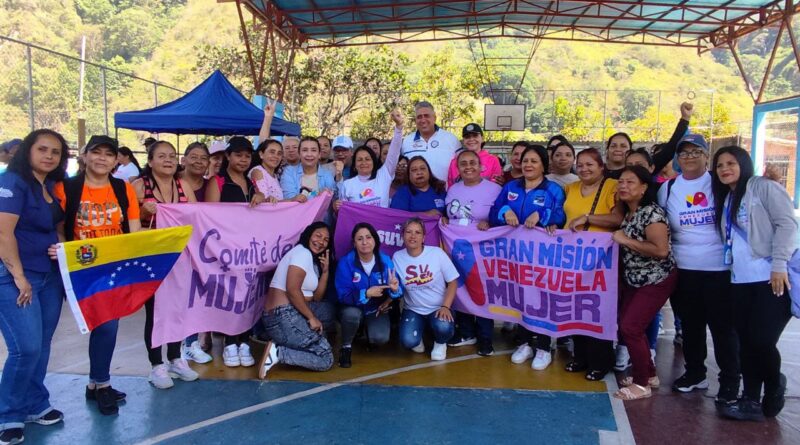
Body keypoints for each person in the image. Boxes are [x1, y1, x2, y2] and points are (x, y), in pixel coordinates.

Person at [53, 135, 142, 415]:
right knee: (102, 325)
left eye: (108, 154)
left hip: (111, 267)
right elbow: (57, 227)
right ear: (84, 155)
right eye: (96, 152)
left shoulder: (122, 188)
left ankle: (99, 384)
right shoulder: (65, 188)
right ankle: (98, 384)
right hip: (79, 268)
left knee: (106, 325)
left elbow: (134, 228)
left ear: (117, 160)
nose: (102, 158)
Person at [712, 146, 797, 421]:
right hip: (740, 281)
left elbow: (787, 224)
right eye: (720, 164)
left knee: (761, 340)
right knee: (746, 342)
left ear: (744, 164)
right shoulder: (728, 197)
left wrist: (779, 265)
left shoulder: (763, 188)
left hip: (771, 278)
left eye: (731, 163)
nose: (725, 168)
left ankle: (774, 384)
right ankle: (749, 399)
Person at [656, 135, 740, 402]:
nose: (689, 157)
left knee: (723, 328)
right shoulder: (668, 189)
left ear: (707, 156)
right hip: (684, 269)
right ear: (677, 159)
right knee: (691, 326)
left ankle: (729, 381)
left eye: (696, 151)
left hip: (719, 268)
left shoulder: (720, 183)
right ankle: (695, 373)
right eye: (684, 152)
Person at [0, 130, 69, 444]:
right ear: (27, 150)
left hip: (48, 275)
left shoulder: (51, 186)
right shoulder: (13, 183)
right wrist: (18, 277)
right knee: (25, 348)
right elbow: (4, 234)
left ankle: (34, 404)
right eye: (42, 149)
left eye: (55, 152)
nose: (49, 156)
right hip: (16, 276)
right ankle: (8, 414)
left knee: (41, 345)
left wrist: (61, 246)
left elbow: (54, 228)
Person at [489, 144, 566, 370]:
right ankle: (524, 343)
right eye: (525, 161)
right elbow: (494, 212)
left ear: (543, 165)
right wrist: (506, 212)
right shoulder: (510, 187)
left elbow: (561, 215)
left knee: (541, 298)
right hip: (514, 257)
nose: (528, 165)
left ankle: (543, 347)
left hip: (542, 257)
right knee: (520, 297)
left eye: (534, 161)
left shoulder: (553, 189)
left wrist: (542, 214)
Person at [131, 141, 199, 389]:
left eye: (172, 156)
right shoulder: (139, 186)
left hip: (180, 257)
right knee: (156, 310)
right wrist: (143, 211)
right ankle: (156, 365)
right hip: (151, 259)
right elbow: (127, 219)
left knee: (179, 307)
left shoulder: (183, 185)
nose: (168, 160)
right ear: (150, 161)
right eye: (161, 156)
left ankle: (175, 357)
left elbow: (196, 216)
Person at [611, 166, 677, 400]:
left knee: (631, 326)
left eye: (630, 182)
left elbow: (660, 250)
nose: (623, 186)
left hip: (655, 279)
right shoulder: (627, 212)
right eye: (621, 182)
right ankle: (648, 374)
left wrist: (625, 240)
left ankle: (641, 384)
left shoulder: (652, 213)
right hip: (634, 279)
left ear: (644, 188)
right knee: (625, 324)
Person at [205, 136, 266, 367]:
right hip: (225, 250)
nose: (243, 159)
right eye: (238, 154)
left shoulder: (252, 183)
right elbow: (209, 217)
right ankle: (230, 343)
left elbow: (262, 211)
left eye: (247, 155)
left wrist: (260, 197)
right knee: (229, 296)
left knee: (247, 296)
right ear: (228, 156)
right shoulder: (217, 181)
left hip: (248, 251)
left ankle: (243, 342)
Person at [560, 148, 621, 380]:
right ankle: (580, 356)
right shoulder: (570, 188)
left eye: (590, 165)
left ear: (601, 167)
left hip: (601, 260)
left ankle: (601, 360)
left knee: (597, 309)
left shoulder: (611, 186)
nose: (584, 169)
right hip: (572, 258)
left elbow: (618, 218)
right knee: (576, 308)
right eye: (581, 165)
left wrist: (588, 218)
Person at [442, 150, 502, 356]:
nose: (468, 167)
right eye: (463, 164)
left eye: (473, 163)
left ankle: (486, 337)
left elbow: (502, 216)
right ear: (457, 168)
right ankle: (467, 333)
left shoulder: (495, 189)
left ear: (481, 166)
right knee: (461, 288)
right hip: (457, 248)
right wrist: (444, 220)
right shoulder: (452, 190)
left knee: (482, 292)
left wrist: (491, 221)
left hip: (483, 250)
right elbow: (447, 214)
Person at [259, 222, 335, 378]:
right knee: (325, 358)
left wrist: (326, 271)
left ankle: (300, 340)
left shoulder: (311, 261)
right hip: (282, 315)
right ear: (308, 235)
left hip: (285, 314)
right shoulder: (302, 253)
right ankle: (279, 353)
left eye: (326, 239)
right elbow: (292, 290)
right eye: (318, 235)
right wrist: (311, 318)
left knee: (329, 310)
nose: (321, 241)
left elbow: (317, 298)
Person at [335, 223, 402, 367]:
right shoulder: (346, 263)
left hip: (375, 310)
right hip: (352, 308)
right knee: (351, 315)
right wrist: (366, 293)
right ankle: (346, 347)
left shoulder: (385, 261)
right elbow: (342, 295)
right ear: (354, 243)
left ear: (375, 240)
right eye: (359, 239)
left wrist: (394, 290)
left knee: (380, 338)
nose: (365, 242)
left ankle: (365, 331)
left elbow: (396, 290)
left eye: (368, 237)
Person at [393, 218, 459, 361]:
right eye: (408, 232)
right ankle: (418, 335)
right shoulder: (397, 257)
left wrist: (446, 306)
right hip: (413, 309)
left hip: (438, 307)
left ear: (423, 237)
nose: (412, 236)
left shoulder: (436, 253)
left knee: (443, 328)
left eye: (417, 232)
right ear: (403, 235)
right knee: (408, 341)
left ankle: (440, 342)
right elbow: (396, 287)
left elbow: (453, 282)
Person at [334, 110, 403, 209]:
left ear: (373, 162)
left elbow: (394, 152)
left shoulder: (384, 175)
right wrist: (336, 207)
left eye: (367, 159)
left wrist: (399, 128)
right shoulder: (347, 185)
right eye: (359, 160)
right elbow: (343, 213)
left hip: (381, 224)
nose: (364, 162)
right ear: (354, 165)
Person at [605, 103, 693, 179]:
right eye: (613, 146)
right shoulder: (596, 171)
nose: (618, 149)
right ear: (607, 150)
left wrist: (685, 119)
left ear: (630, 150)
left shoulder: (643, 168)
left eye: (623, 146)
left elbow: (670, 148)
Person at [401, 101, 460, 182]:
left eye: (426, 116)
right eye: (419, 117)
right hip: (414, 193)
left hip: (445, 193)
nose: (423, 120)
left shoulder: (451, 139)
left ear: (434, 118)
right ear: (415, 120)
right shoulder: (406, 142)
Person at [280, 137, 337, 202]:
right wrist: (318, 195)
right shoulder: (289, 172)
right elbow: (290, 197)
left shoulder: (327, 174)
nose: (309, 154)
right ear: (299, 154)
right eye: (305, 150)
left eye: (313, 150)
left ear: (319, 154)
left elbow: (331, 200)